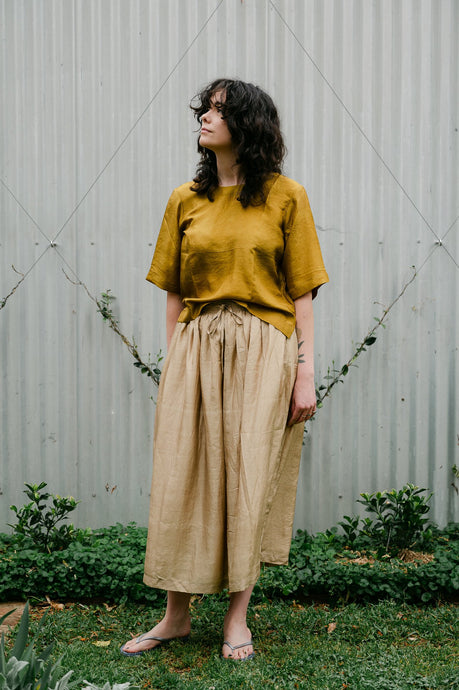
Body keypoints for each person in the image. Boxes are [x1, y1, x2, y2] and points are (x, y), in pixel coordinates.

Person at [121, 78, 329, 661]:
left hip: (266, 346)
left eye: (218, 110)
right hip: (197, 342)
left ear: (248, 124)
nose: (205, 119)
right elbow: (173, 292)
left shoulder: (287, 196)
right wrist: (174, 362)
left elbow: (303, 293)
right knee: (181, 475)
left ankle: (237, 617)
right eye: (205, 110)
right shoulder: (185, 198)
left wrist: (304, 372)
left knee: (250, 475)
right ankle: (175, 616)